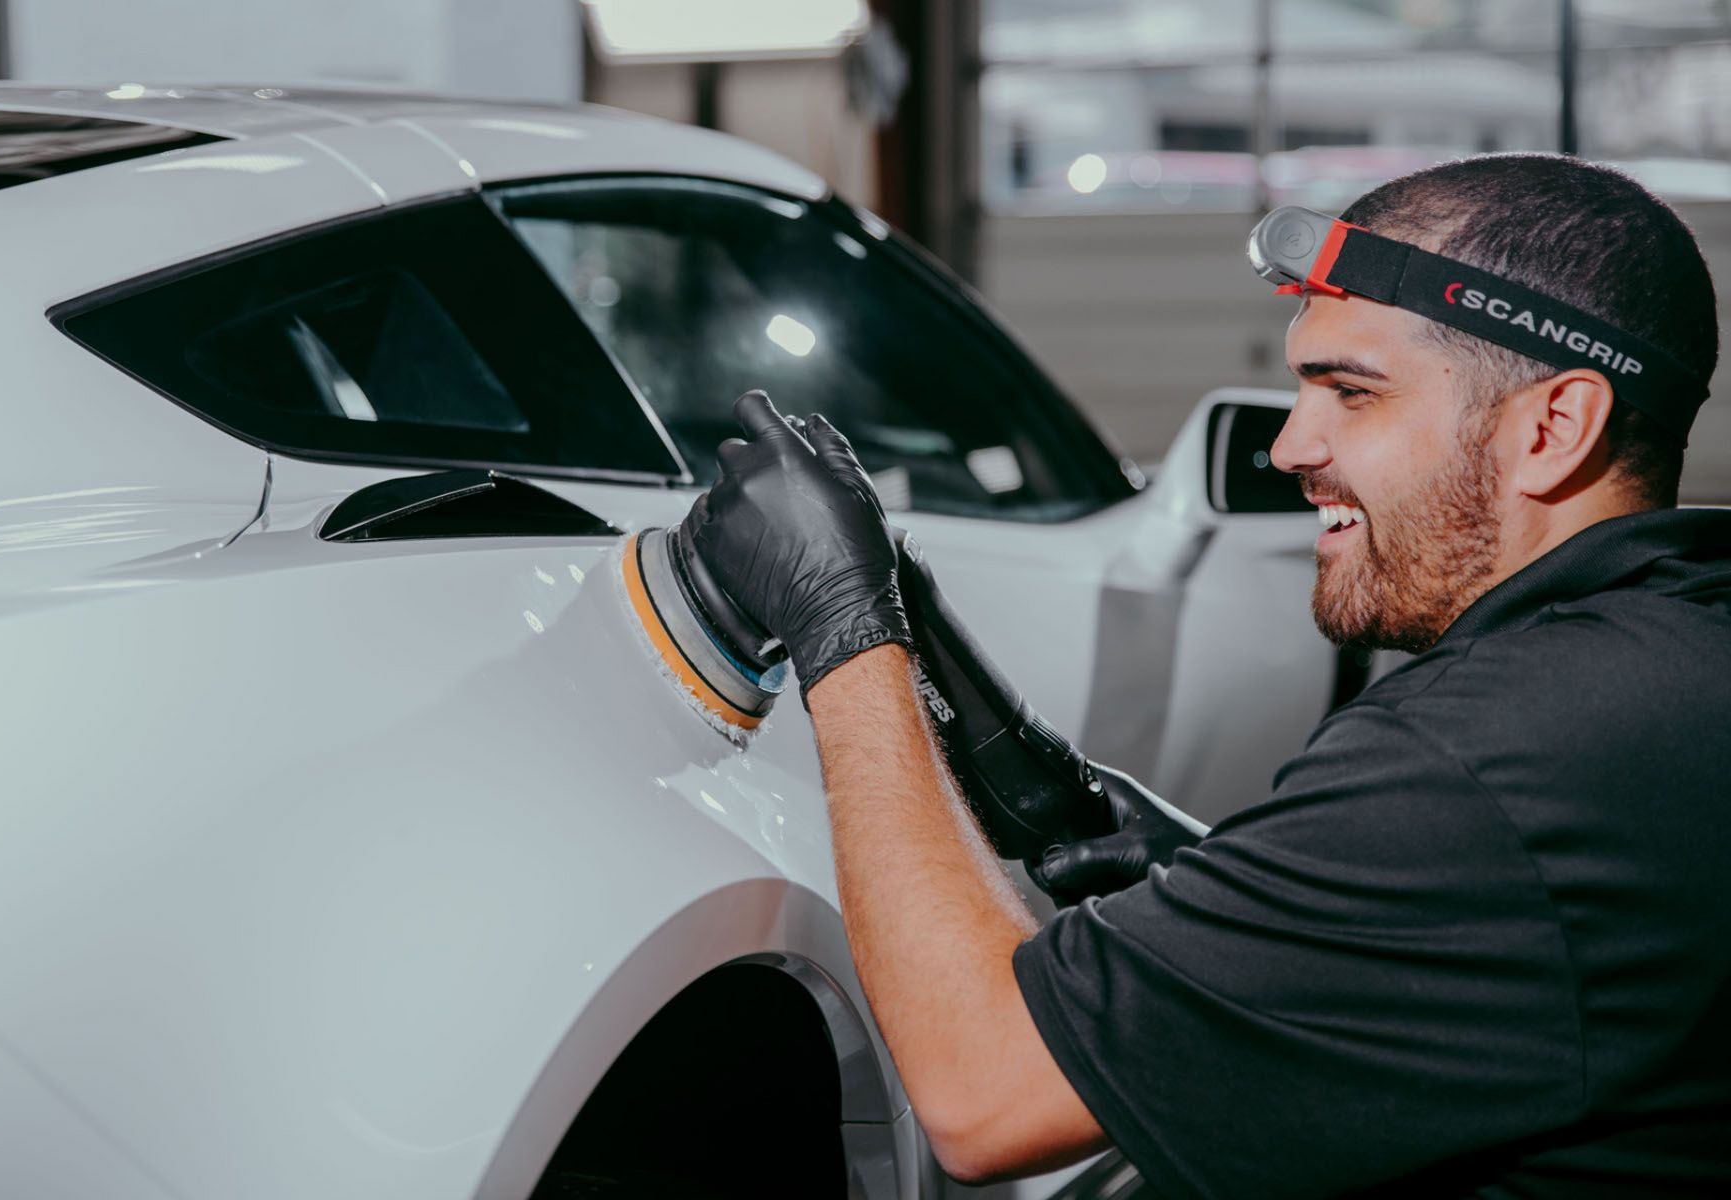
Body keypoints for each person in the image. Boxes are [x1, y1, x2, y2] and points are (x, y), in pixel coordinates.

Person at [681, 153, 1731, 1198]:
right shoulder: (1668, 657)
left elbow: (980, 1093)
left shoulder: (1488, 756)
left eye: (1351, 393)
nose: (1288, 447)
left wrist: (843, 626)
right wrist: (1260, 903)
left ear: (1552, 429)